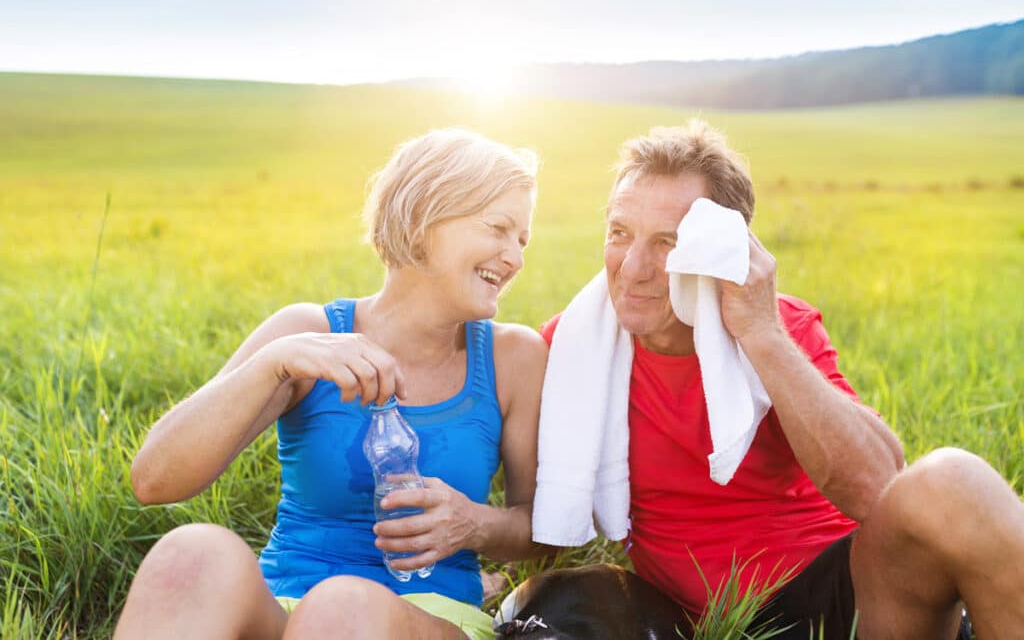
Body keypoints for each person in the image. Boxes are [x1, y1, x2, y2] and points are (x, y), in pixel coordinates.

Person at [534, 121, 1024, 639]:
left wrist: (761, 334)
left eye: (667, 243)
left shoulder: (780, 327)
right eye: (619, 234)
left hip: (849, 597)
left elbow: (877, 488)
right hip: (711, 623)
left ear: (721, 250)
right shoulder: (575, 349)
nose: (632, 268)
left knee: (953, 480)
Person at [114, 128, 549, 640]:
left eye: (522, 240)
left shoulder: (513, 357)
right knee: (190, 554)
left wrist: (473, 523)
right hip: (286, 606)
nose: (515, 258)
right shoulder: (307, 336)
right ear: (420, 219)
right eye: (498, 228)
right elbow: (154, 481)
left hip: (432, 615)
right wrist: (271, 364)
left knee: (344, 609)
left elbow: (543, 530)